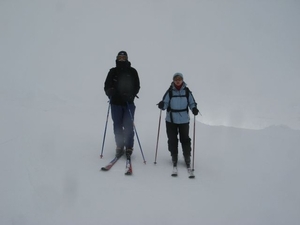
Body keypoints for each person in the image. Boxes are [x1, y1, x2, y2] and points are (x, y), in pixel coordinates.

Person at [157, 72, 199, 169]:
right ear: (173, 81)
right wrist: (162, 105)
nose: (178, 81)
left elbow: (192, 103)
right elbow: (165, 103)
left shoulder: (187, 91)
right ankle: (174, 156)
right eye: (176, 79)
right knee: (172, 139)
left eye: (179, 79)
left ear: (182, 80)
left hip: (184, 120)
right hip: (171, 120)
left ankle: (187, 157)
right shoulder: (170, 91)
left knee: (185, 139)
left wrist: (194, 109)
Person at [104, 51, 140, 159]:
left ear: (127, 58)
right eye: (120, 57)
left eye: (124, 57)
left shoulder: (132, 71)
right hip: (115, 103)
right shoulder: (112, 71)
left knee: (128, 125)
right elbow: (106, 85)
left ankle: (129, 146)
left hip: (128, 103)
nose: (122, 59)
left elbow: (137, 86)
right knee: (117, 125)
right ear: (117, 58)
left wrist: (131, 95)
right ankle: (119, 146)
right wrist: (110, 92)